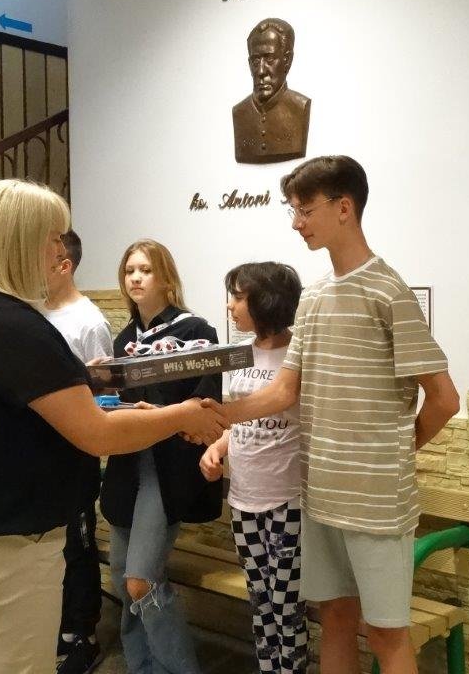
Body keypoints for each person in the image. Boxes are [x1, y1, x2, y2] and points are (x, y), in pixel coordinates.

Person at [0, 180, 226, 674]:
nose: (62, 250)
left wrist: (108, 396)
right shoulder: (14, 325)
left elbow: (26, 404)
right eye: (53, 237)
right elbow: (97, 433)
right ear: (22, 239)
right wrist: (183, 415)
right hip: (7, 543)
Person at [203, 157, 461, 674]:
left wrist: (398, 449)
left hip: (376, 502)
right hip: (319, 495)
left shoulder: (388, 291)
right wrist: (218, 416)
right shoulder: (315, 297)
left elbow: (444, 399)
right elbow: (284, 390)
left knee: (386, 634)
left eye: (305, 210)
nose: (297, 223)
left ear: (344, 207)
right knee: (335, 618)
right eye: (293, 211)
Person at [100, 239, 224, 674]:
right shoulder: (123, 341)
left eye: (145, 270)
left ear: (166, 278)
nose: (135, 278)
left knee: (141, 581)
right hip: (127, 467)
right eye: (129, 270)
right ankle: (143, 667)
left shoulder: (196, 332)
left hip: (168, 470)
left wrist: (158, 415)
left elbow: (206, 406)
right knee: (122, 578)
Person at [199, 261, 307, 674]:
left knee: (286, 606)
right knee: (260, 602)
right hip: (243, 499)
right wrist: (217, 448)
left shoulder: (298, 354)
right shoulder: (239, 354)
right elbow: (240, 420)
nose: (230, 306)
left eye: (239, 297)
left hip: (286, 501)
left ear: (267, 301)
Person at [42, 229, 113, 674]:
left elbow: (103, 397)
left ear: (63, 264)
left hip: (75, 454)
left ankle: (83, 635)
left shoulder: (89, 322)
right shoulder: (31, 314)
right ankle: (59, 626)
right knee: (49, 546)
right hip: (38, 454)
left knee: (78, 544)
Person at [232, 18, 311, 164]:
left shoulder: (300, 106)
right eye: (255, 61)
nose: (261, 71)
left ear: (287, 60)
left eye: (269, 59)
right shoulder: (239, 111)